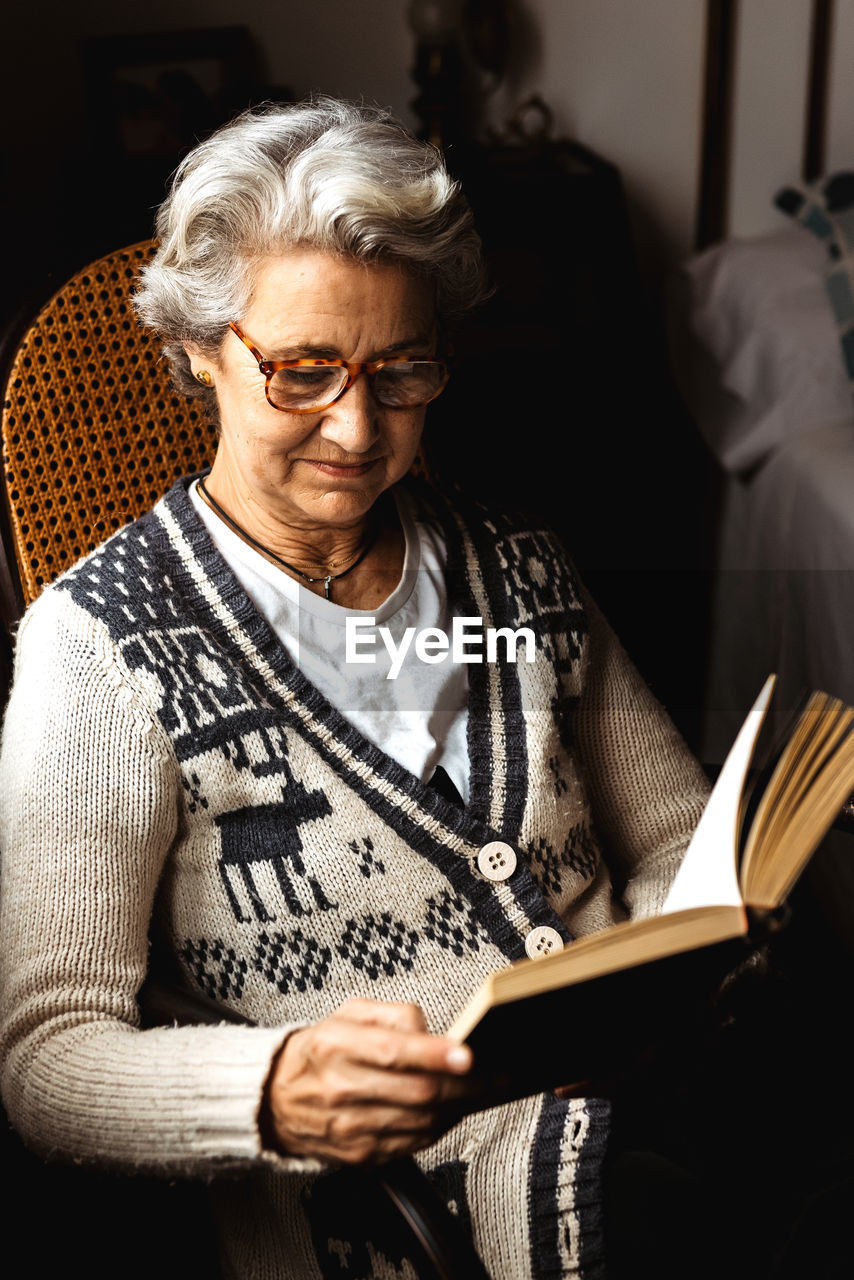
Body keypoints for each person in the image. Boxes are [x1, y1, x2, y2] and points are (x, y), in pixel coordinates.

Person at [0, 97, 709, 1279]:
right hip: (403, 1230)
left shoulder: (520, 563)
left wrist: (650, 991)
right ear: (198, 348)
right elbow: (47, 1057)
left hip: (659, 1135)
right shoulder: (99, 646)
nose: (356, 424)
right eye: (303, 370)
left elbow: (675, 832)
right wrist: (272, 1090)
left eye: (401, 369)